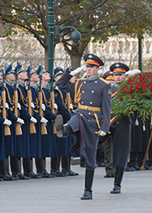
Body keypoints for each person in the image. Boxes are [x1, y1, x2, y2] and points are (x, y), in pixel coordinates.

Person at [56, 54, 112, 200]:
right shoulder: (80, 82)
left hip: (94, 120)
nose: (88, 69)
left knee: (90, 155)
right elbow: (60, 84)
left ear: (97, 69)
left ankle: (88, 190)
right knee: (74, 119)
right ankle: (64, 129)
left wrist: (105, 126)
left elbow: (107, 107)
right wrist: (70, 73)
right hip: (80, 114)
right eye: (87, 66)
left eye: (91, 67)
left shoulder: (104, 85)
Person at [108, 62, 132, 194]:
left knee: (121, 153)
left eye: (120, 75)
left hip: (123, 123)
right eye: (115, 75)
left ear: (125, 76)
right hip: (108, 123)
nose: (117, 77)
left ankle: (117, 183)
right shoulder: (108, 89)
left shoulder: (130, 90)